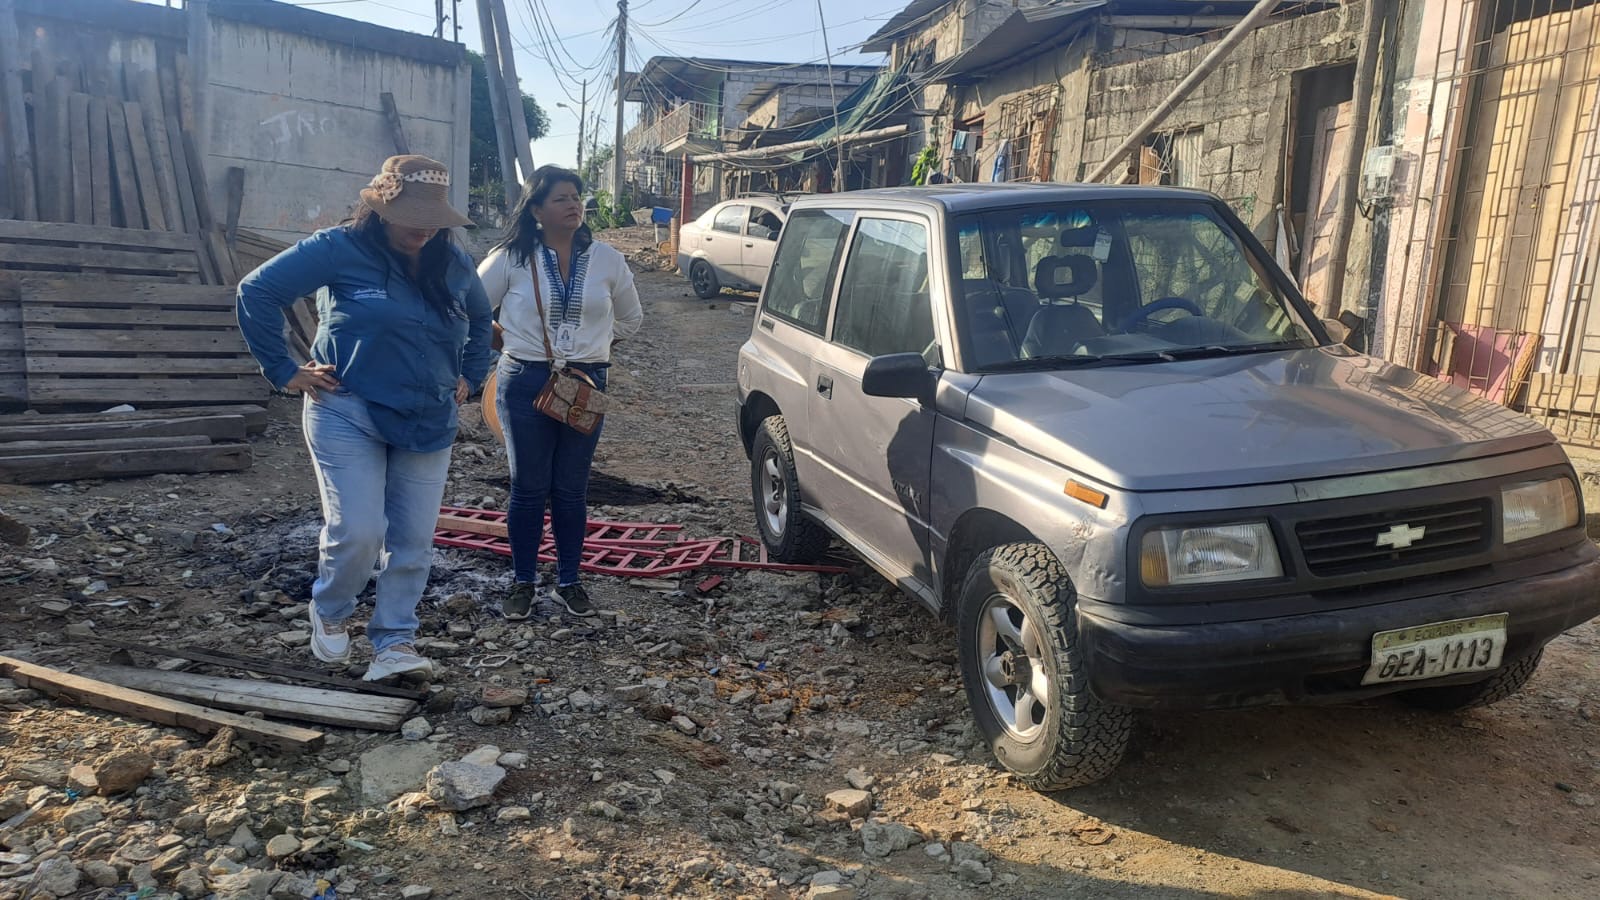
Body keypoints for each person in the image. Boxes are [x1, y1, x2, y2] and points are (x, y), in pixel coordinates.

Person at [236, 155, 493, 681]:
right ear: (381, 208)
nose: (424, 228)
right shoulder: (338, 248)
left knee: (413, 542)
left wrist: (471, 373)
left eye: (432, 218)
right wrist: (284, 369)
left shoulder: (451, 260)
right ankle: (331, 609)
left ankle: (394, 642)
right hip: (347, 407)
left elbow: (481, 315)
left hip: (428, 417)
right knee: (358, 530)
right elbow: (256, 291)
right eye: (412, 216)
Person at [478, 166, 642, 620]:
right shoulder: (510, 258)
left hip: (585, 383)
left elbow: (631, 318)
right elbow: (469, 309)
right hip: (524, 380)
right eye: (561, 199)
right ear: (536, 210)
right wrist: (509, 343)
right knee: (528, 487)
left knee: (571, 488)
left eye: (576, 197)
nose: (574, 205)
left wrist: (591, 349)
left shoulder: (608, 259)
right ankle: (523, 582)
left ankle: (569, 581)